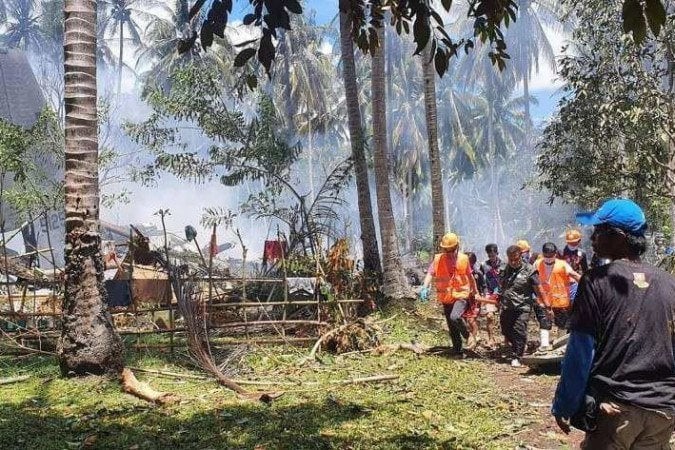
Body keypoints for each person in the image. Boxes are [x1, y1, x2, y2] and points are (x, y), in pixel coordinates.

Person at [552, 198, 675, 449]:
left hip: (617, 408)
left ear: (618, 236)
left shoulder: (596, 281)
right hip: (663, 410)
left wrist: (565, 404)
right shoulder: (669, 283)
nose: (593, 237)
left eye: (599, 231)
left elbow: (581, 351)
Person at [420, 232, 478, 356]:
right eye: (446, 250)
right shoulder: (438, 259)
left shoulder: (463, 259)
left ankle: (469, 336)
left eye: (451, 250)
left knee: (455, 317)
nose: (449, 253)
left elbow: (470, 276)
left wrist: (475, 292)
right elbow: (430, 273)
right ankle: (457, 350)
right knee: (452, 326)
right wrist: (425, 287)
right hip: (446, 297)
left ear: (456, 247)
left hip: (461, 295)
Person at [499, 245, 545, 367]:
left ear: (521, 256)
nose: (513, 262)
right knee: (505, 329)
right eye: (511, 259)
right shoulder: (504, 268)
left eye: (516, 259)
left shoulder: (529, 270)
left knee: (519, 330)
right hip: (507, 306)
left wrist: (543, 302)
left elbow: (538, 288)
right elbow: (501, 285)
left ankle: (517, 356)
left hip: (522, 306)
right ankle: (519, 347)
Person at [535, 242, 581, 333]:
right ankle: (544, 345)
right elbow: (531, 279)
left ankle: (560, 344)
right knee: (544, 322)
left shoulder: (562, 265)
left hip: (560, 301)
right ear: (543, 254)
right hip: (544, 299)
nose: (548, 258)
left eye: (551, 255)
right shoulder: (537, 264)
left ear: (555, 254)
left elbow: (575, 275)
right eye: (546, 255)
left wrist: (589, 284)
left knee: (562, 324)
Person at [480, 243, 504, 347]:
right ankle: (490, 339)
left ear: (497, 253)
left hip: (502, 294)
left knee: (505, 317)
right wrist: (482, 292)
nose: (491, 258)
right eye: (489, 256)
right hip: (489, 294)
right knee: (489, 316)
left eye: (493, 255)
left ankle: (507, 340)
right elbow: (480, 279)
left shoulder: (504, 265)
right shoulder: (484, 265)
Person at [560, 229, 589, 302]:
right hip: (563, 282)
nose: (573, 245)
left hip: (576, 281)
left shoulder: (582, 253)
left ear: (579, 241)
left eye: (575, 243)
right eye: (570, 243)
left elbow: (585, 269)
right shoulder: (561, 252)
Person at [463, 252, 483, 349]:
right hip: (464, 298)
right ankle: (471, 338)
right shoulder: (460, 272)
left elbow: (483, 287)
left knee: (471, 320)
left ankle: (473, 340)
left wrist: (480, 296)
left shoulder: (477, 273)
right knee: (465, 320)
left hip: (474, 300)